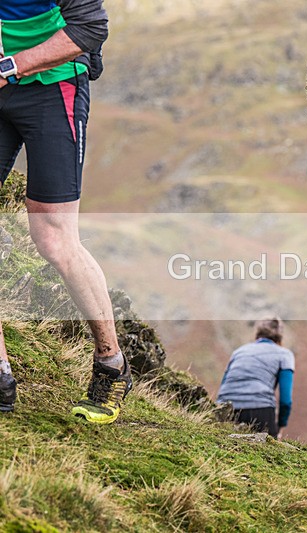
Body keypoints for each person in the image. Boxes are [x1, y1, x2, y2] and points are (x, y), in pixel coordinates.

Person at [0, 0, 132, 423]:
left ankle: (111, 364)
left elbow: (89, 29)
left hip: (53, 88)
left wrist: (10, 66)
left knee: (54, 239)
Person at [217, 317, 295, 438]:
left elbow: (224, 384)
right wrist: (279, 426)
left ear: (257, 333)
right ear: (280, 336)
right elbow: (286, 400)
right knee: (266, 453)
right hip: (260, 409)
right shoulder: (284, 354)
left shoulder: (239, 352)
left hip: (226, 407)